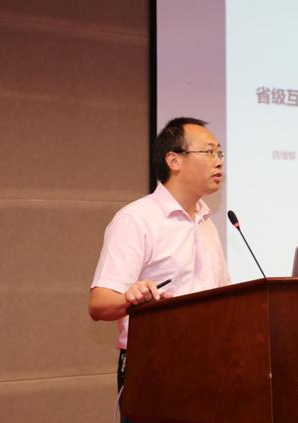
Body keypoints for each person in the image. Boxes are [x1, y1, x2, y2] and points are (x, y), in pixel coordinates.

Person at [88, 117, 230, 423]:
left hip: (210, 363)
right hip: (155, 366)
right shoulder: (136, 220)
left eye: (220, 153)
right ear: (174, 160)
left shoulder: (207, 224)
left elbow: (225, 299)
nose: (219, 161)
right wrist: (130, 299)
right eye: (209, 152)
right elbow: (99, 304)